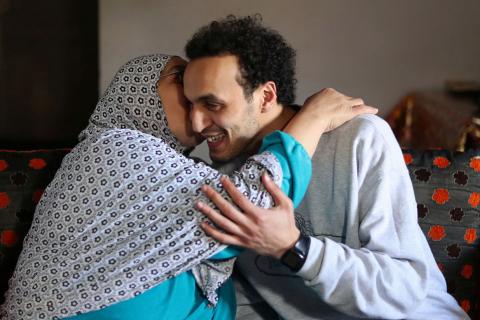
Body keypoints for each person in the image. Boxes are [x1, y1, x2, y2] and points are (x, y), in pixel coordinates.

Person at [0, 54, 374, 320]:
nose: (194, 91)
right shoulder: (114, 147)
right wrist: (314, 116)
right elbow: (251, 209)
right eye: (179, 78)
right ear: (139, 93)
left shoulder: (173, 167)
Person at [184, 15, 468, 319]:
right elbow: (246, 301)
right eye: (190, 104)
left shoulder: (360, 137)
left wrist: (293, 248)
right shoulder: (222, 180)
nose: (195, 123)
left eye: (213, 105)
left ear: (265, 96)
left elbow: (403, 290)